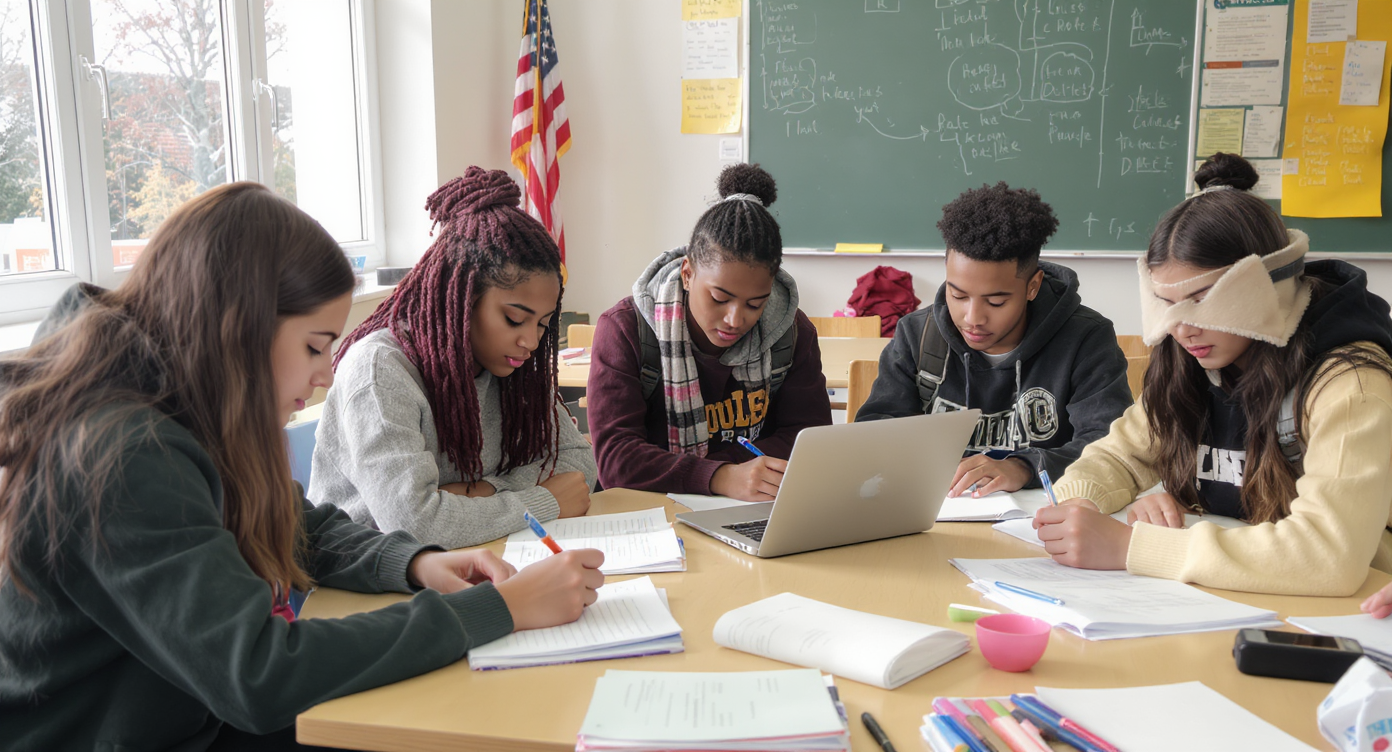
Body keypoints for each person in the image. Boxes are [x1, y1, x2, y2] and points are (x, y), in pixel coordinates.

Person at [0, 183, 604, 751]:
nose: (323, 376)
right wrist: (500, 609)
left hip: (182, 711)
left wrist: (415, 561)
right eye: (315, 346)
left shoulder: (182, 399)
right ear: (238, 327)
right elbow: (259, 672)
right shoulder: (122, 451)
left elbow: (291, 518)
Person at [1034, 153, 1392, 596]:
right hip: (1221, 597)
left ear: (1268, 283)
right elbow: (1118, 457)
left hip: (1338, 614)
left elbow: (1329, 555)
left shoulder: (1350, 383)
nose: (1183, 328)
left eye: (1203, 300)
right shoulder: (1194, 358)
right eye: (1168, 304)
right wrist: (1081, 504)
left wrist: (1136, 547)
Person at [309, 168, 596, 549]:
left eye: (543, 325)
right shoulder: (380, 372)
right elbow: (415, 525)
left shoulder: (513, 366)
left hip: (476, 554)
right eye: (514, 319)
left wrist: (478, 492)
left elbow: (579, 466)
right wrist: (543, 500)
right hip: (367, 579)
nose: (529, 341)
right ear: (461, 299)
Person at [855, 182, 1132, 498]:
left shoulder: (1085, 337)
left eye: (996, 302)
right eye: (958, 294)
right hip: (940, 514)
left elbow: (1110, 444)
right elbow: (875, 433)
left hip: (1041, 518)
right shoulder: (918, 335)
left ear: (1032, 286)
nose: (973, 318)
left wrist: (1025, 466)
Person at [587, 164, 832, 502]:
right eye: (719, 298)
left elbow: (810, 439)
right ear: (687, 274)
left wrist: (730, 475)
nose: (734, 319)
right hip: (649, 516)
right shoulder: (626, 329)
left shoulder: (791, 333)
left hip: (749, 509)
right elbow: (616, 461)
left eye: (755, 304)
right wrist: (721, 476)